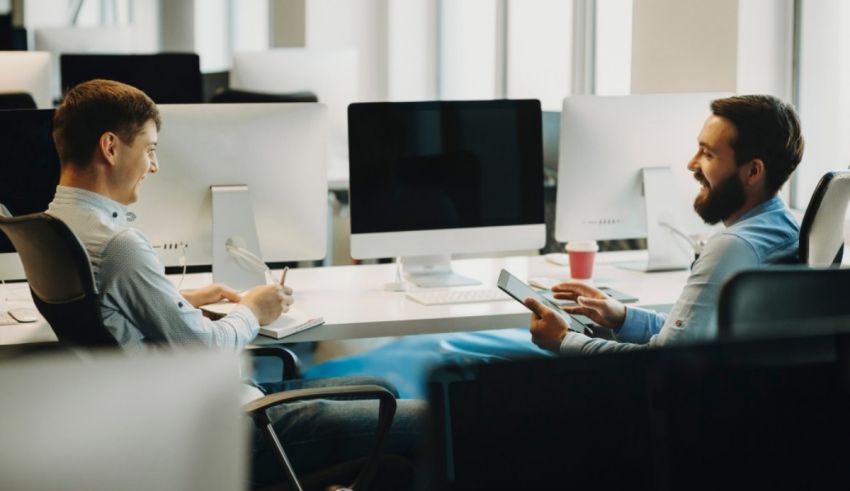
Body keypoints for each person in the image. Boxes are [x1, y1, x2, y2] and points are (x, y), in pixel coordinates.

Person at [45, 79, 424, 487]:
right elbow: (205, 347)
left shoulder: (54, 225)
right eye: (150, 149)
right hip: (223, 431)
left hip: (163, 418)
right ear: (111, 147)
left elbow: (105, 312)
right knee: (426, 421)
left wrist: (175, 297)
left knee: (381, 386)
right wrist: (253, 309)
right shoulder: (119, 246)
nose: (153, 166)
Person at [526, 94, 804, 354]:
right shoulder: (782, 226)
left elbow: (663, 360)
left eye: (708, 154)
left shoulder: (734, 247)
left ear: (753, 171)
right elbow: (686, 334)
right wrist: (621, 317)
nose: (692, 164)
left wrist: (564, 340)